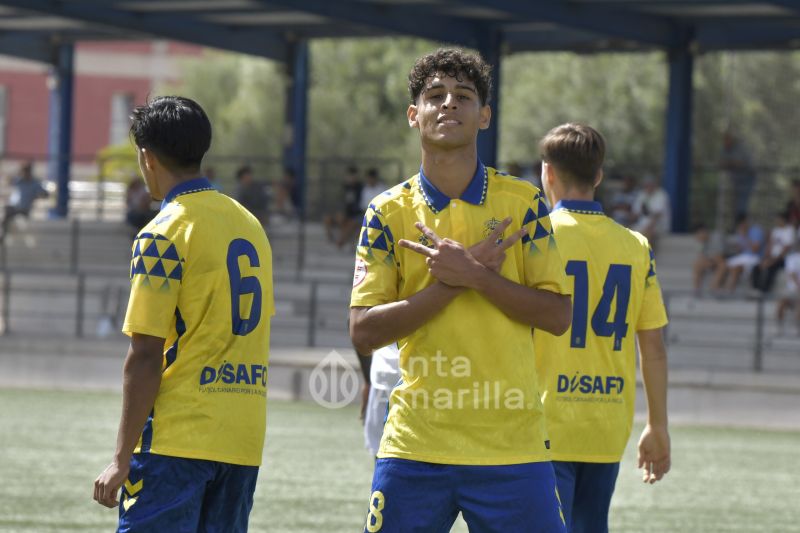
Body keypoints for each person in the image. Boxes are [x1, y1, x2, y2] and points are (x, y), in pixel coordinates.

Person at [349, 48, 571, 532]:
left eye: (463, 96)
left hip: (513, 447)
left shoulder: (523, 201)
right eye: (435, 96)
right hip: (414, 448)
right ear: (414, 115)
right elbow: (363, 332)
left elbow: (557, 316)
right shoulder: (386, 212)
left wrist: (476, 277)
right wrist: (455, 281)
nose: (449, 104)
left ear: (484, 115)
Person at [93, 96, 274, 532]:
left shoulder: (163, 232)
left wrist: (121, 458)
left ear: (146, 156)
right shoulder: (249, 224)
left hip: (177, 439)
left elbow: (145, 354)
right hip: (242, 439)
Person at [534, 123, 671, 533]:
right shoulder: (636, 246)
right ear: (598, 176)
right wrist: (657, 424)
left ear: (548, 173)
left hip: (545, 419)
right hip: (607, 421)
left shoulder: (538, 238)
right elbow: (654, 347)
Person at [711, 213, 764, 295]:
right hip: (742, 257)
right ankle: (715, 288)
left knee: (735, 267)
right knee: (722, 263)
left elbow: (755, 249)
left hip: (753, 258)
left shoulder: (756, 231)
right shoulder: (740, 232)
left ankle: (728, 290)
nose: (741, 226)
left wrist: (746, 236)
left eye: (743, 223)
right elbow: (741, 249)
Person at [1, 161, 48, 241]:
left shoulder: (35, 183)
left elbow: (45, 194)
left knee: (13, 216)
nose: (25, 174)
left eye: (26, 171)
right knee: (6, 211)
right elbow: (7, 180)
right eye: (23, 171)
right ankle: (4, 235)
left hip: (24, 209)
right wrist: (16, 172)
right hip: (14, 207)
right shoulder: (18, 180)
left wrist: (37, 195)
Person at [751, 211, 795, 294]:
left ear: (783, 220)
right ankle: (755, 289)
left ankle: (764, 291)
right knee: (756, 267)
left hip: (782, 258)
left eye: (778, 219)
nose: (776, 221)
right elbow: (769, 246)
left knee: (771, 268)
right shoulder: (775, 230)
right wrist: (765, 258)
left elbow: (786, 249)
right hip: (772, 257)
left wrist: (772, 261)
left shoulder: (790, 230)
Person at [720, 130, 757, 219]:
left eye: (727, 140)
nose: (726, 142)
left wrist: (731, 163)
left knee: (742, 204)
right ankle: (737, 224)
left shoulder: (740, 148)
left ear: (731, 140)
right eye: (724, 141)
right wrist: (730, 163)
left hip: (747, 179)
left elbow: (741, 163)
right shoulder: (725, 150)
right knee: (735, 205)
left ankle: (741, 223)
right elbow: (722, 163)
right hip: (736, 181)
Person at [324, 165, 363, 248]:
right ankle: (331, 239)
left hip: (355, 214)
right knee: (328, 219)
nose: (351, 178)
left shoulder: (360, 188)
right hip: (344, 213)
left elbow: (359, 205)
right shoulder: (345, 187)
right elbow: (340, 202)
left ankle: (340, 242)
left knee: (350, 224)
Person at [631, 174, 670, 252]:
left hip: (659, 225)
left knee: (648, 233)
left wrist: (647, 228)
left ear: (654, 185)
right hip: (642, 224)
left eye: (650, 185)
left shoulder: (661, 194)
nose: (648, 187)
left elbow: (657, 215)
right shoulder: (642, 194)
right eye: (646, 185)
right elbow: (635, 213)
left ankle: (649, 258)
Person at [692, 223, 726, 298]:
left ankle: (714, 287)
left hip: (727, 260)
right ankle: (696, 291)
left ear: (702, 231)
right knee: (697, 265)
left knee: (721, 264)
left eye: (697, 235)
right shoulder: (705, 243)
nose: (697, 238)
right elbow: (703, 256)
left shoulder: (716, 237)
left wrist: (709, 261)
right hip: (714, 260)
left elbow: (720, 256)